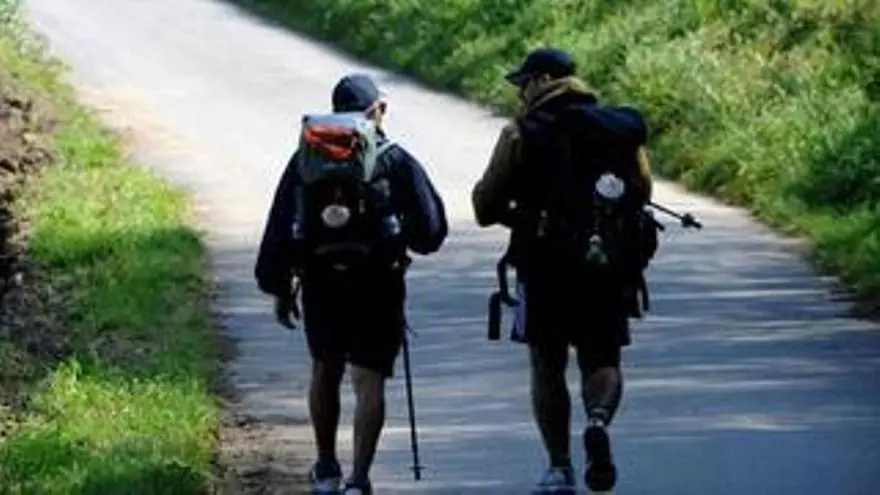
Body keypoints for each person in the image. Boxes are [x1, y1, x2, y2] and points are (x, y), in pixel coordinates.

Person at [471, 47, 655, 493]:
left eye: (523, 84)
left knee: (547, 364)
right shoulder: (617, 127)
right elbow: (643, 191)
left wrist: (522, 214)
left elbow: (484, 205)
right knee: (602, 357)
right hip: (607, 266)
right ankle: (597, 421)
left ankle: (559, 467)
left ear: (542, 79)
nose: (520, 95)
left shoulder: (521, 132)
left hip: (544, 263)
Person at [255, 73, 448, 494]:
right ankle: (359, 479)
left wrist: (277, 285)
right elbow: (432, 232)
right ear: (377, 110)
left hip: (321, 282)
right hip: (378, 283)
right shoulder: (395, 159)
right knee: (368, 380)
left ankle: (326, 468)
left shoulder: (305, 160)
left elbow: (281, 227)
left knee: (325, 368)